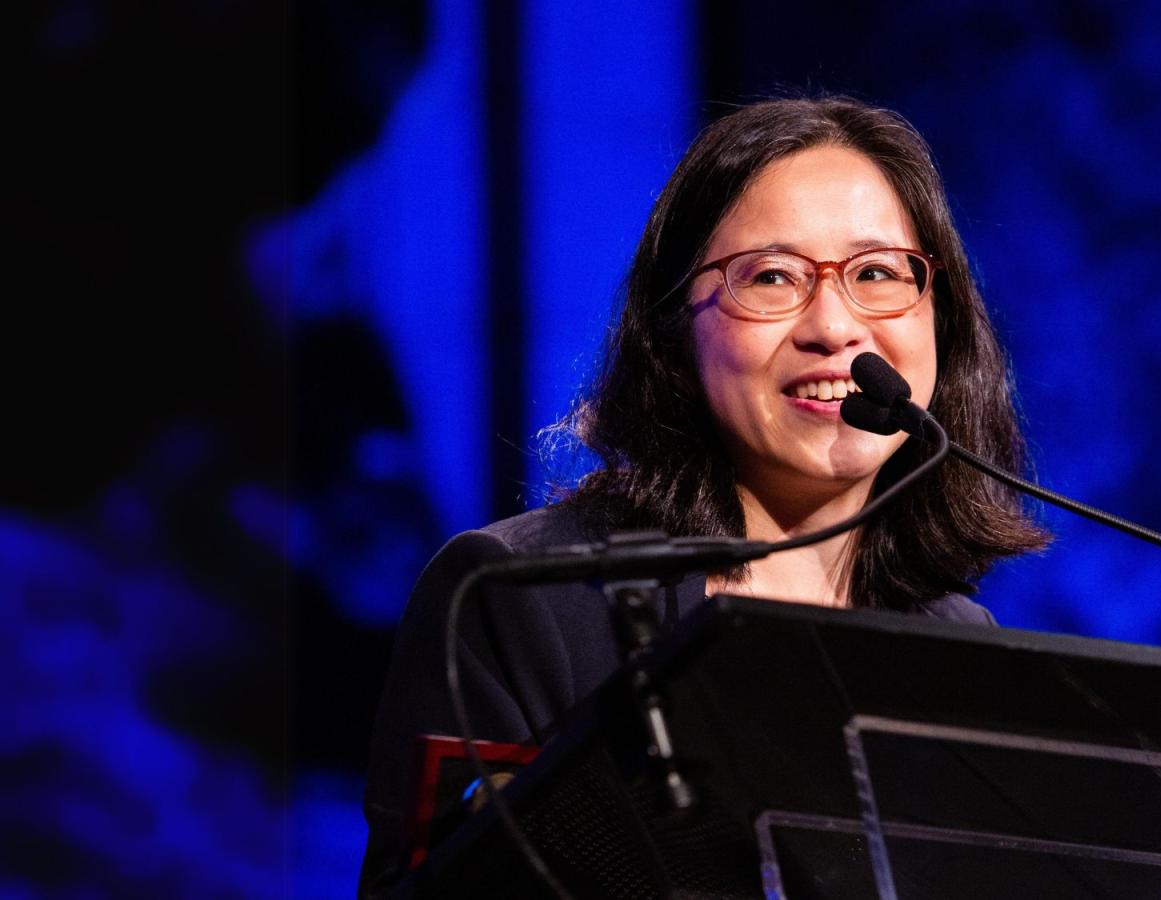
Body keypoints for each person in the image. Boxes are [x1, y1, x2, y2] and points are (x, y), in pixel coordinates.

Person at [357, 95, 1048, 894]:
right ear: (674, 339)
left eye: (878, 273)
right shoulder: (523, 602)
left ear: (943, 322)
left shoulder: (961, 646)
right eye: (772, 277)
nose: (834, 325)